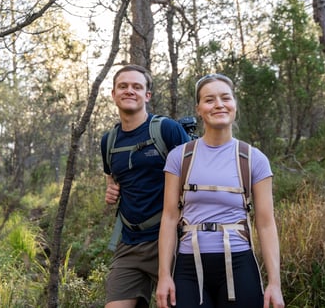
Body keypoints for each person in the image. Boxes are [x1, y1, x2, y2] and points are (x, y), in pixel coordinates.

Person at [156, 73, 285, 308]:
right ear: (198, 109)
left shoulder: (253, 158)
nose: (218, 105)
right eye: (209, 100)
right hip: (188, 268)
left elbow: (266, 224)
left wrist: (274, 283)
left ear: (234, 104)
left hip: (239, 265)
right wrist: (164, 275)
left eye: (225, 98)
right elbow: (169, 217)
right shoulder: (179, 157)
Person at [102, 64, 191, 308]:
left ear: (147, 95)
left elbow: (194, 176)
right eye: (123, 86)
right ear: (114, 94)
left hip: (170, 241)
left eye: (136, 87)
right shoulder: (108, 141)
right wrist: (110, 189)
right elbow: (111, 176)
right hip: (129, 243)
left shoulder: (167, 130)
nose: (129, 91)